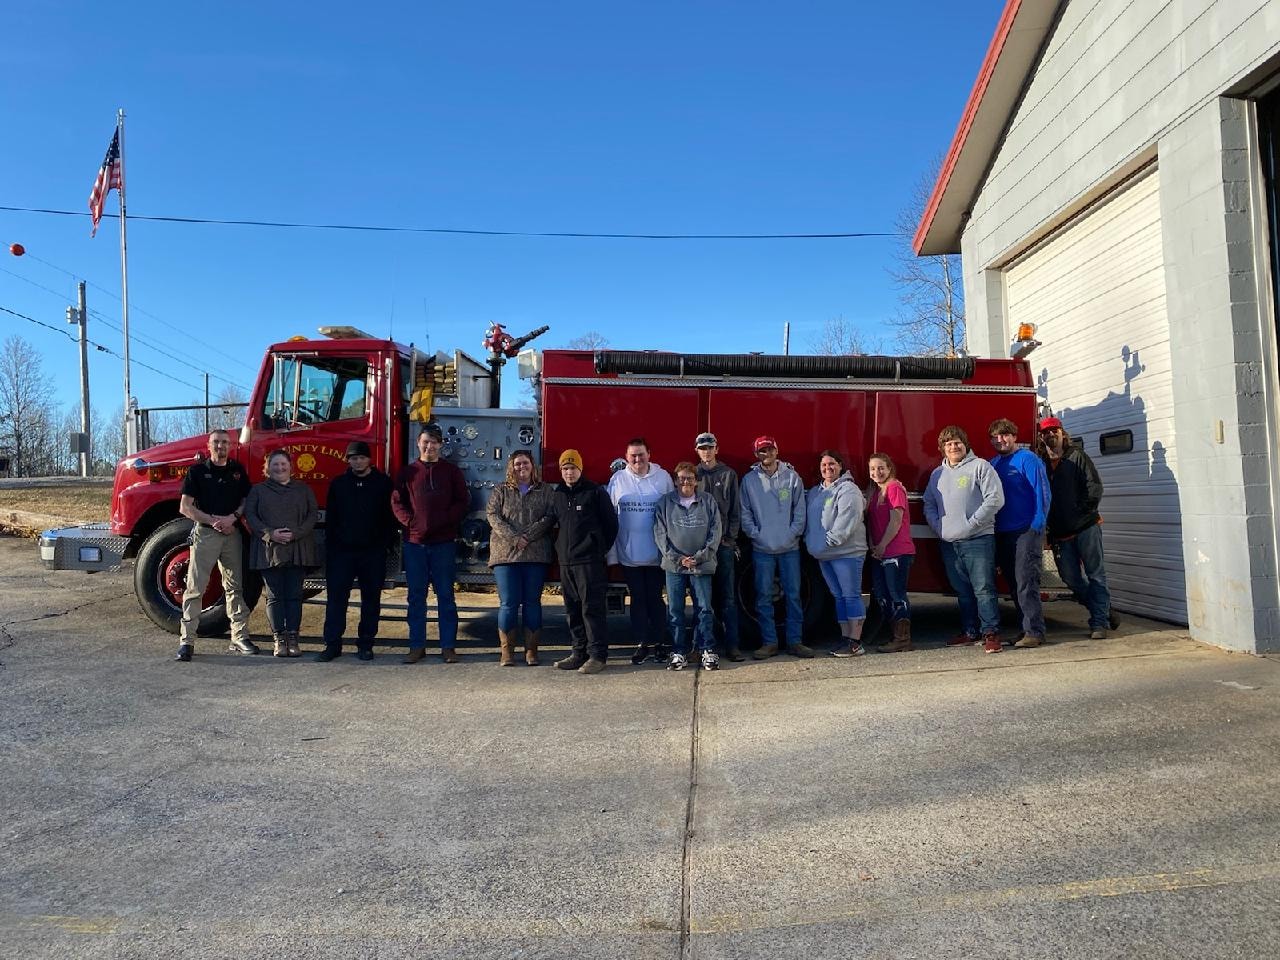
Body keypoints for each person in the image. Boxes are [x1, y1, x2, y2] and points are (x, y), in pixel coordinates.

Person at [923, 426, 1005, 654]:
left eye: (957, 442)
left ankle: (991, 633)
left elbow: (995, 499)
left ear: (965, 444)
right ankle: (970, 632)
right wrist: (938, 527)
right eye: (948, 444)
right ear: (942, 449)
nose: (953, 447)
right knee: (963, 591)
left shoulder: (980, 466)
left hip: (978, 540)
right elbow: (929, 503)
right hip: (949, 543)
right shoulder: (937, 474)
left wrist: (972, 524)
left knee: (984, 589)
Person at [174, 429, 255, 661]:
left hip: (232, 534)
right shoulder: (197, 471)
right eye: (216, 442)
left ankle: (239, 636)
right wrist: (214, 521)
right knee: (195, 588)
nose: (220, 446)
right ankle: (187, 641)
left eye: (224, 443)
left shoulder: (237, 471)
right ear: (209, 446)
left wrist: (234, 517)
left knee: (234, 587)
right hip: (207, 534)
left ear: (230, 446)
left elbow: (246, 499)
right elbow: (185, 507)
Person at [392, 424, 470, 664]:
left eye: (435, 442)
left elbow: (462, 501)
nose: (430, 446)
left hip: (443, 544)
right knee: (416, 597)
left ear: (441, 445)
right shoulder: (407, 473)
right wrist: (411, 522)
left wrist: (446, 520)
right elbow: (397, 502)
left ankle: (448, 647)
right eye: (426, 442)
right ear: (418, 443)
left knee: (446, 596)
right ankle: (417, 646)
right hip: (415, 544)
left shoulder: (451, 471)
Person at [316, 441, 395, 663]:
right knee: (336, 600)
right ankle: (332, 644)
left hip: (372, 553)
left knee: (371, 600)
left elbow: (390, 518)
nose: (357, 461)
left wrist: (383, 544)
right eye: (353, 458)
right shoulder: (339, 484)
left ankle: (366, 644)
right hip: (342, 553)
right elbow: (331, 519)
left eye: (361, 457)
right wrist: (333, 547)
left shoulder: (383, 484)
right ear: (348, 460)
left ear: (369, 459)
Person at [1038, 416, 1117, 639]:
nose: (1051, 435)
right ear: (1041, 437)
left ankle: (1098, 624)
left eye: (1055, 431)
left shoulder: (1077, 456)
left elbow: (1095, 488)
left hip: (1086, 527)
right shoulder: (1041, 463)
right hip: (1060, 534)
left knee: (1096, 576)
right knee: (1071, 578)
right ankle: (1102, 609)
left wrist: (1080, 513)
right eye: (1046, 432)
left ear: (1063, 434)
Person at [740, 435, 812, 659]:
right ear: (756, 455)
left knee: (793, 596)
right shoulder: (749, 481)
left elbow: (800, 511)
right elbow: (745, 513)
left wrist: (793, 534)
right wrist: (756, 535)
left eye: (770, 450)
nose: (767, 454)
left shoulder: (791, 477)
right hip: (762, 550)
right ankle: (769, 643)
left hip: (790, 548)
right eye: (762, 451)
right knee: (763, 597)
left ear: (777, 451)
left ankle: (795, 642)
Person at [244, 449, 320, 658]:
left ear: (290, 467)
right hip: (269, 549)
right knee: (275, 596)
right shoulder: (258, 491)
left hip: (297, 547)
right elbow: (251, 515)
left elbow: (312, 514)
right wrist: (270, 534)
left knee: (294, 595)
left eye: (283, 465)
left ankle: (293, 639)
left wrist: (295, 533)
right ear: (267, 468)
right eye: (275, 465)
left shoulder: (303, 489)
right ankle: (279, 639)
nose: (279, 468)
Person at [549, 449, 619, 675]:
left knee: (592, 609)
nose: (569, 473)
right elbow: (553, 524)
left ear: (580, 469)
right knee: (573, 609)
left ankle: (597, 655)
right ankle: (578, 652)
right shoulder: (557, 494)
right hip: (566, 563)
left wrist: (598, 549)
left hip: (589, 562)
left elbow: (611, 525)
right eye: (565, 469)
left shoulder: (595, 492)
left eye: (573, 468)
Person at [607, 437, 675, 665]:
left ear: (649, 454)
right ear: (626, 457)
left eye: (641, 454)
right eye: (633, 455)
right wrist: (613, 553)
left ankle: (660, 644)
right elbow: (610, 517)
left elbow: (672, 513)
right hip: (630, 555)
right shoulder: (617, 480)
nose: (637, 459)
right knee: (637, 600)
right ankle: (641, 643)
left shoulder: (663, 478)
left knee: (655, 599)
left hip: (657, 554)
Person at [486, 449, 555, 666]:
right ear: (511, 467)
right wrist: (515, 538)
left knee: (532, 603)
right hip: (505, 556)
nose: (521, 467)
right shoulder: (501, 490)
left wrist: (529, 536)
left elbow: (550, 516)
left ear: (532, 465)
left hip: (535, 555)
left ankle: (531, 651)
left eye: (525, 463)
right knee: (508, 603)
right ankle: (507, 652)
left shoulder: (545, 491)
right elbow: (492, 516)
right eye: (517, 464)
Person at [989, 418, 1052, 649]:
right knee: (1014, 584)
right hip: (1003, 533)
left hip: (1026, 530)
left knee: (1026, 582)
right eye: (995, 437)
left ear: (1014, 436)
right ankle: (1024, 628)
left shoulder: (1028, 459)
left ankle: (1035, 631)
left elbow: (1042, 493)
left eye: (1005, 435)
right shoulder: (993, 463)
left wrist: (1037, 524)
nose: (1000, 440)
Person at [655, 462, 722, 671]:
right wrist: (678, 558)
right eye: (682, 478)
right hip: (674, 567)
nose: (686, 481)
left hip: (701, 566)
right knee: (675, 611)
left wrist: (700, 557)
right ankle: (678, 651)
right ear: (675, 481)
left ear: (697, 481)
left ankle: (707, 650)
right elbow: (660, 534)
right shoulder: (665, 503)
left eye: (690, 478)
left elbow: (716, 531)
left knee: (704, 609)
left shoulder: (708, 501)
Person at [804, 450, 869, 657]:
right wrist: (812, 543)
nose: (827, 468)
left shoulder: (849, 489)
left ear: (840, 466)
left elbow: (847, 521)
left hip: (847, 553)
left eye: (832, 464)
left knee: (851, 595)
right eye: (824, 465)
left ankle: (855, 642)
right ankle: (845, 638)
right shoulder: (816, 492)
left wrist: (828, 542)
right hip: (824, 555)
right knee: (839, 596)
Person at [694, 432, 744, 661]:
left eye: (710, 447)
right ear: (697, 450)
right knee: (701, 599)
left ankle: (732, 646)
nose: (706, 451)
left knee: (728, 597)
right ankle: (704, 645)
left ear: (717, 449)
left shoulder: (728, 474)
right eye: (702, 448)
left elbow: (735, 511)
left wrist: (731, 538)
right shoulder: (692, 475)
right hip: (701, 547)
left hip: (723, 546)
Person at [866, 452, 916, 654]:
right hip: (880, 552)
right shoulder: (876, 492)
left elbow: (896, 521)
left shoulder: (895, 488)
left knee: (896, 593)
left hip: (896, 551)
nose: (876, 472)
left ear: (889, 469)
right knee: (881, 594)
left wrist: (882, 546)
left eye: (880, 468)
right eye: (872, 469)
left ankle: (903, 638)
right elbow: (871, 523)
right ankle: (893, 633)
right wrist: (874, 546)